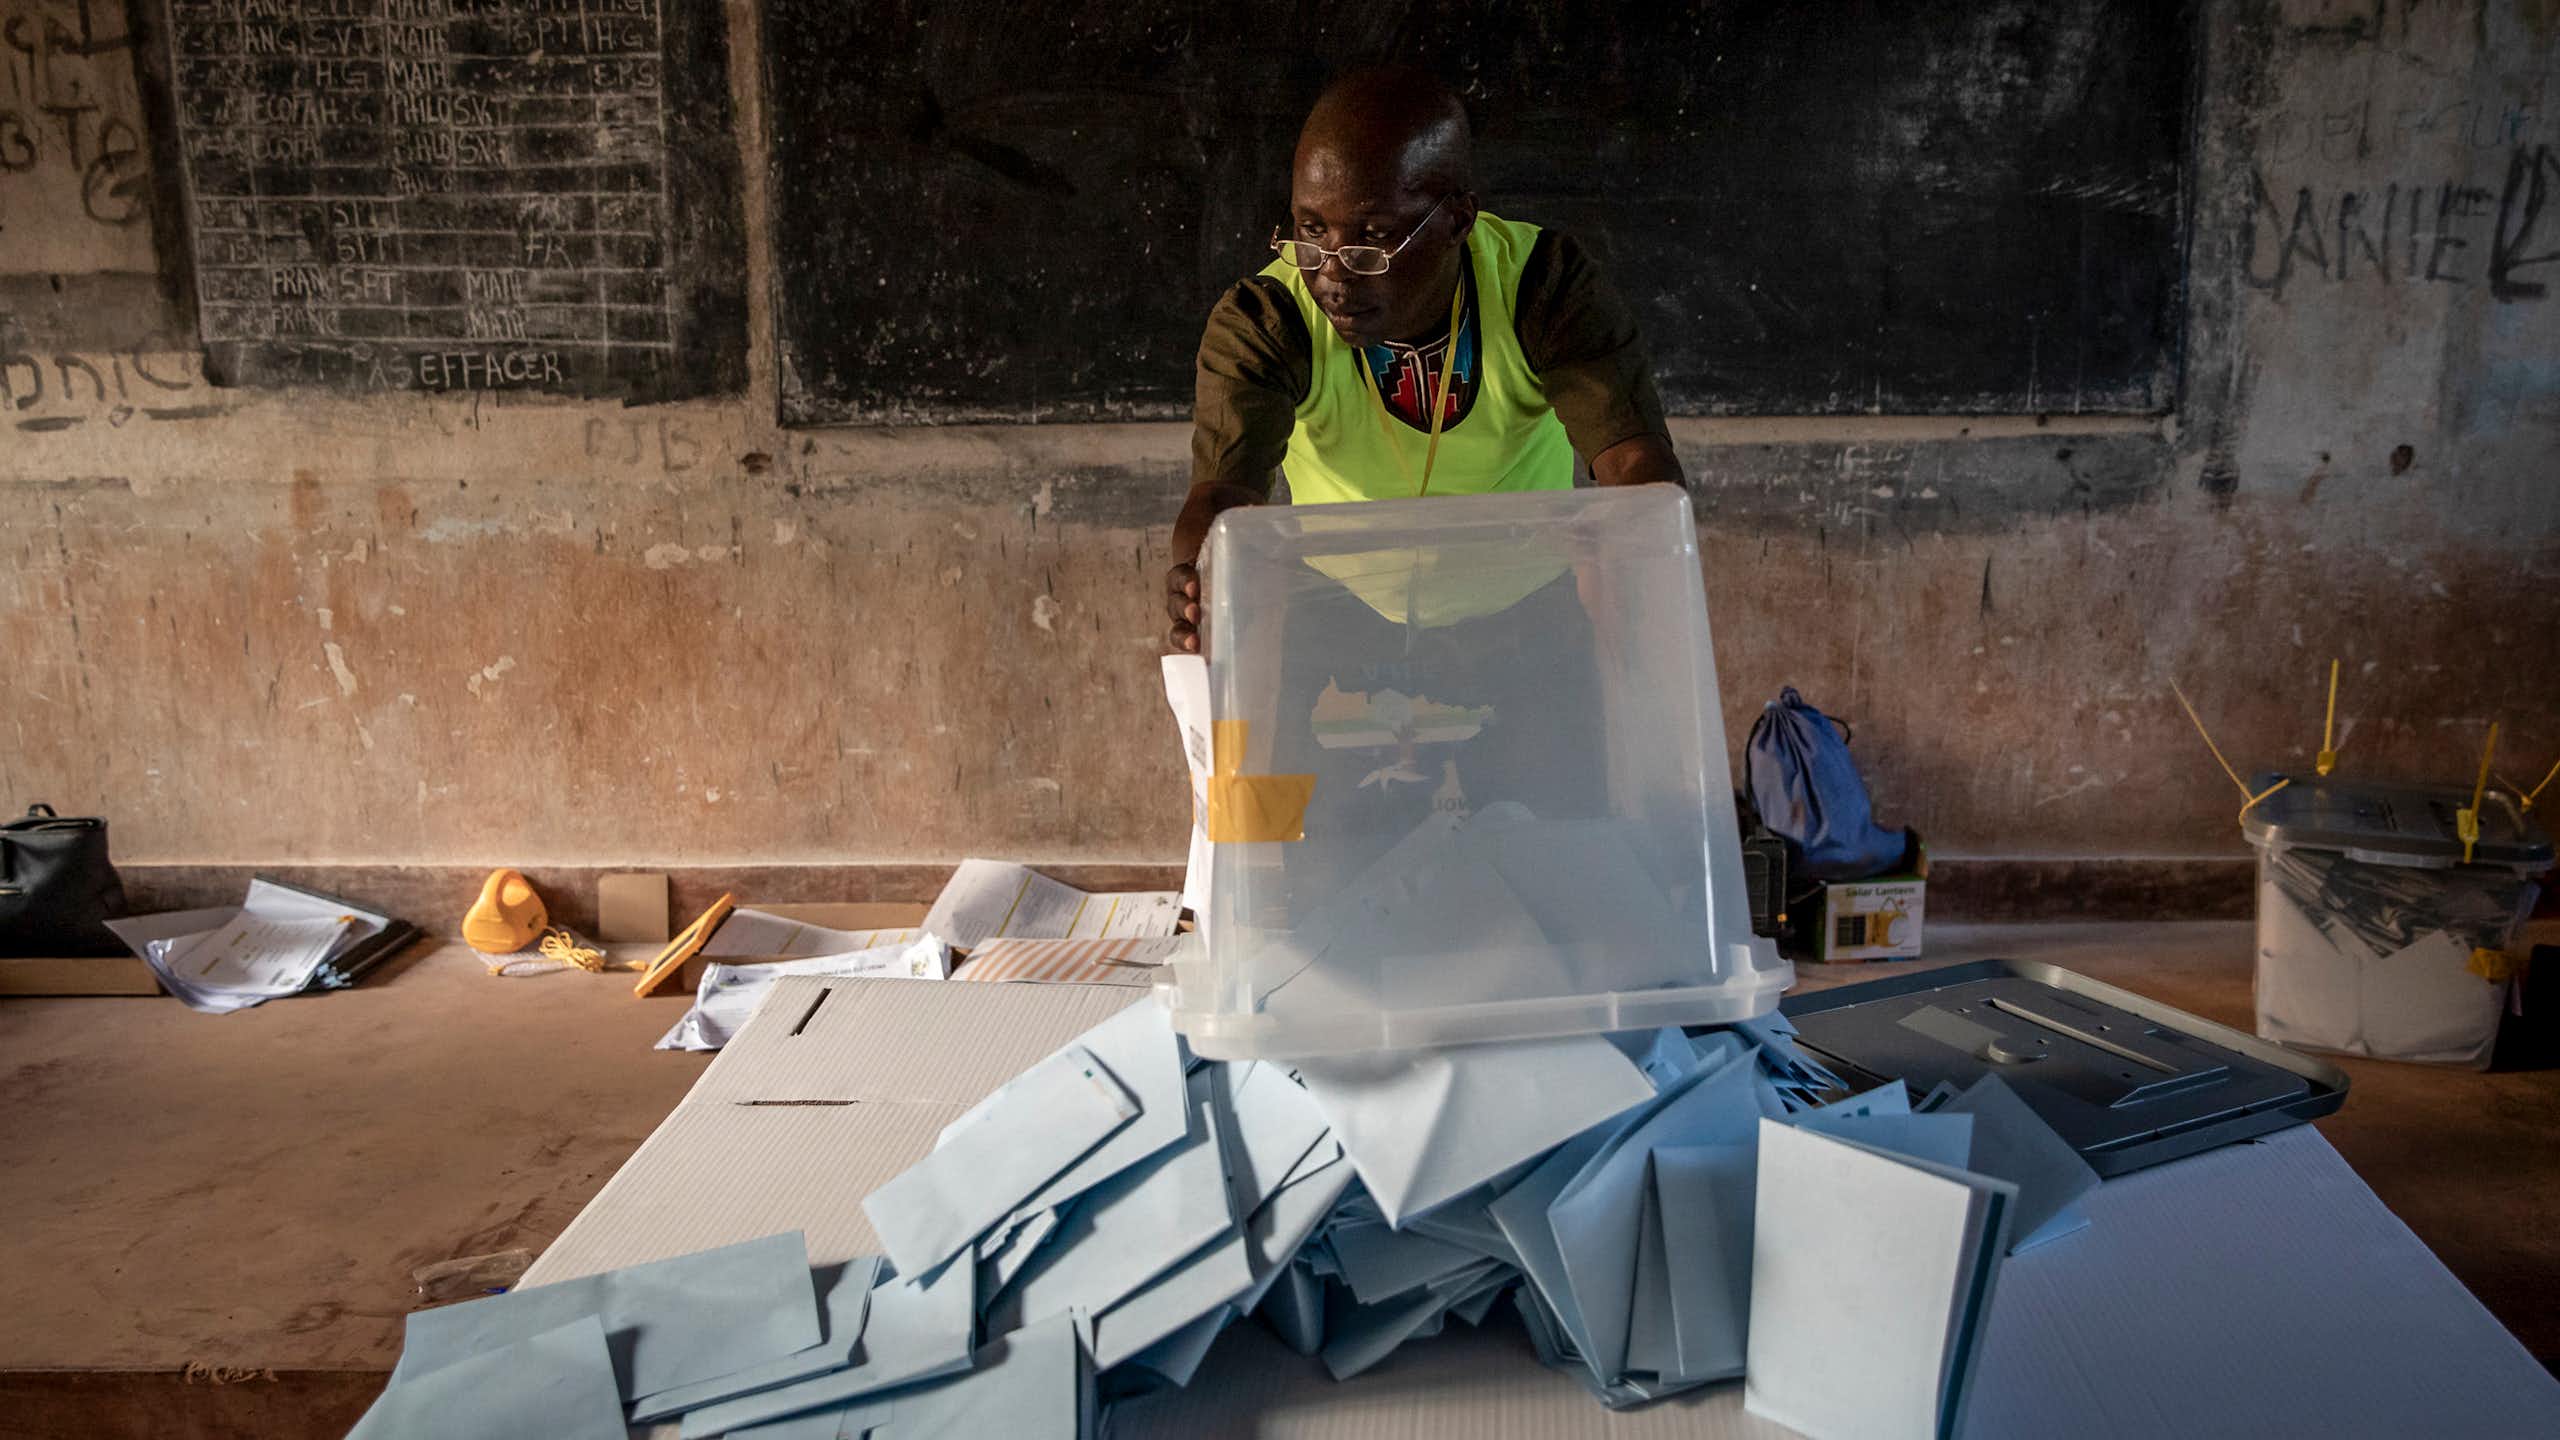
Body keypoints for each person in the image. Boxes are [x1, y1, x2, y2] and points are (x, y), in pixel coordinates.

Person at [1163, 64, 1682, 656]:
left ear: (1457, 220)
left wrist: (1641, 564)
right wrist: (1201, 579)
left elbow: (1633, 461)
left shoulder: (1543, 288)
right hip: (1339, 610)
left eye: (1374, 236)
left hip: (1526, 612)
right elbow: (1221, 498)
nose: (1332, 275)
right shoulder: (1269, 319)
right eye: (1312, 229)